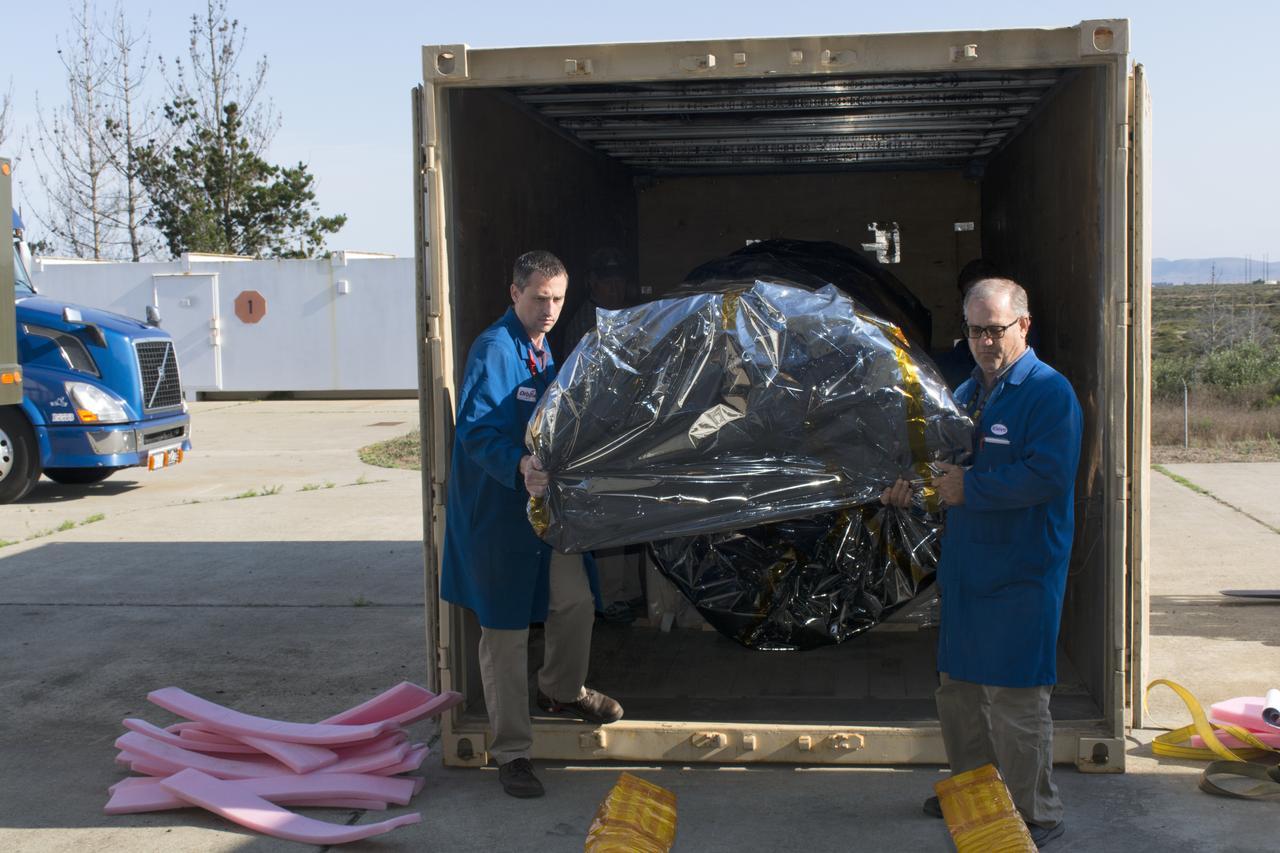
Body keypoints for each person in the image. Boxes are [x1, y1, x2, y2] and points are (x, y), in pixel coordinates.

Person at [882, 276, 1082, 849]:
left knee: (1016, 700)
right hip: (969, 570)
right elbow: (945, 468)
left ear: (1023, 325)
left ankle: (1034, 814)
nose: (985, 341)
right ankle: (973, 795)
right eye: (974, 330)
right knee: (960, 692)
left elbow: (1048, 475)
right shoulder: (970, 392)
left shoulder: (1048, 393)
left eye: (995, 330)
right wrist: (911, 487)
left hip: (1022, 570)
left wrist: (972, 489)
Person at [440, 250, 624, 800]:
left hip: (544, 514)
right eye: (539, 297)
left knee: (574, 602)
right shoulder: (495, 349)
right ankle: (513, 751)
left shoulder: (546, 350)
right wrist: (519, 466)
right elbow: (475, 430)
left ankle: (562, 690)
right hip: (499, 514)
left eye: (558, 299)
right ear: (514, 292)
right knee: (504, 632)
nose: (549, 309)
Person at [558, 247, 629, 354]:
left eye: (619, 282)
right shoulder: (584, 323)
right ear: (592, 281)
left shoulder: (627, 314)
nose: (614, 289)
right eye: (607, 282)